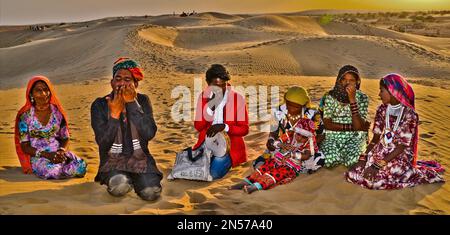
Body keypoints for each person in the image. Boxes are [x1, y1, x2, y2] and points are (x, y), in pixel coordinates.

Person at [346, 73, 444, 189]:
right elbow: (375, 139)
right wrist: (364, 157)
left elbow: (401, 147)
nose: (379, 94)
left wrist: (377, 166)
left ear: (392, 91)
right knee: (355, 171)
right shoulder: (382, 109)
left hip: (400, 156)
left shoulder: (409, 115)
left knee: (380, 177)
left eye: (381, 91)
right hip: (382, 150)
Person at [91, 57, 162, 201]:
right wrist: (114, 115)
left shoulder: (142, 101)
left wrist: (132, 104)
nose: (122, 83)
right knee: (119, 187)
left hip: (140, 161)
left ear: (135, 84)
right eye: (118, 78)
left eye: (127, 79)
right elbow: (103, 143)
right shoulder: (99, 105)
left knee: (151, 193)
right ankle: (125, 178)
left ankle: (138, 179)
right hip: (112, 162)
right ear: (112, 83)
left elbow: (149, 133)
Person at [15, 76, 87, 179]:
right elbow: (25, 146)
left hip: (59, 153)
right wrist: (47, 155)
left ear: (50, 91)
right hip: (39, 156)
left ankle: (65, 168)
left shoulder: (57, 112)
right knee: (53, 171)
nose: (43, 94)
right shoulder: (25, 116)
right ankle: (63, 171)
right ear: (31, 94)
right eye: (38, 90)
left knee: (81, 167)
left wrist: (61, 151)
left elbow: (65, 137)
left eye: (45, 89)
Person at [229, 117, 319, 193]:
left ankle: (255, 187)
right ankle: (245, 182)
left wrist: (292, 155)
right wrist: (281, 145)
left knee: (275, 174)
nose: (299, 138)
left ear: (308, 136)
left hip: (291, 167)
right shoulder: (291, 134)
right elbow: (275, 143)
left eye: (304, 137)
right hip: (277, 160)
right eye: (298, 134)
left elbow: (306, 155)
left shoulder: (309, 142)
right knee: (263, 168)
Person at [193, 64, 249, 179]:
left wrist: (225, 127)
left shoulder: (237, 99)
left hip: (229, 147)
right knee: (194, 170)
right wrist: (210, 108)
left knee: (213, 174)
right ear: (208, 84)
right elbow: (198, 126)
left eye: (223, 85)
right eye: (215, 85)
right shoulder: (203, 97)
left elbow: (244, 129)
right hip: (207, 143)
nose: (220, 89)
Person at [319, 65, 370, 168]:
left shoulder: (363, 98)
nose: (347, 83)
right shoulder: (329, 96)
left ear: (357, 82)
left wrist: (352, 100)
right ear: (339, 80)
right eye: (344, 79)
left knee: (353, 161)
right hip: (332, 137)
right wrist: (351, 127)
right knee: (329, 161)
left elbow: (358, 127)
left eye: (351, 80)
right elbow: (327, 124)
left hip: (355, 137)